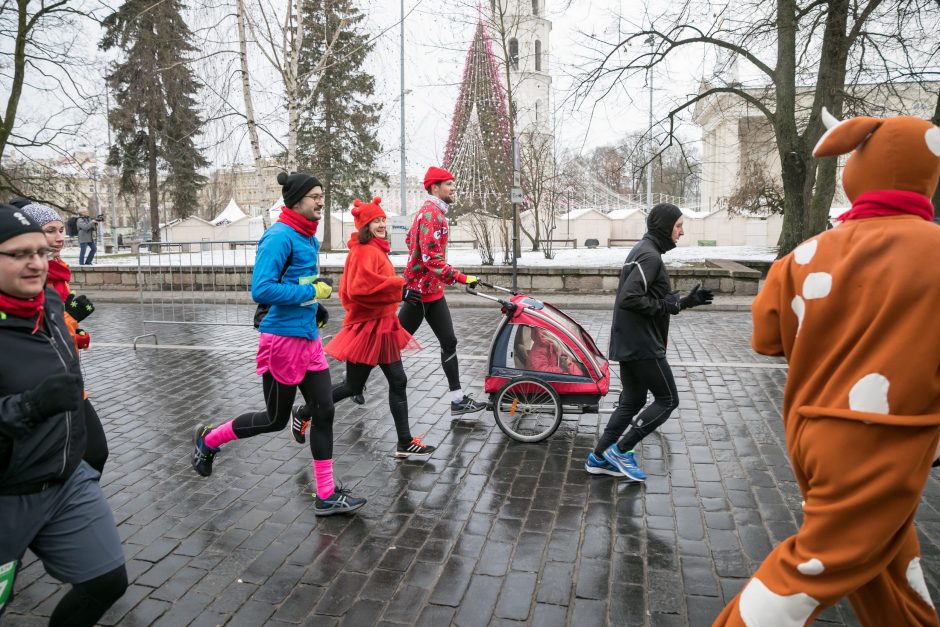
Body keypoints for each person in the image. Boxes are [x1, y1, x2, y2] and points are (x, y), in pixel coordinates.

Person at [714, 112, 940, 625]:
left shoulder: (804, 256)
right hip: (888, 437)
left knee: (887, 558)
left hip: (811, 430)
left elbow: (766, 339)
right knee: (813, 568)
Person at [191, 172, 366, 516]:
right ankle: (208, 439)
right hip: (281, 343)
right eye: (315, 196)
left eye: (321, 195)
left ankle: (326, 494)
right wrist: (310, 292)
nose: (320, 201)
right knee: (275, 419)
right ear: (297, 200)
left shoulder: (307, 238)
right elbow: (262, 289)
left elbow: (300, 281)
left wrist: (314, 308)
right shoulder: (278, 238)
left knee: (324, 411)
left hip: (307, 340)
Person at [0, 205, 127, 625]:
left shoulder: (48, 301)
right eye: (18, 254)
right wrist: (30, 406)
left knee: (106, 582)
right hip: (7, 494)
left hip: (65, 477)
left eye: (40, 249)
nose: (36, 261)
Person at [294, 197, 436, 459]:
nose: (382, 224)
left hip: (383, 325)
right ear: (365, 225)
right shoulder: (364, 250)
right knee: (353, 387)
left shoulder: (374, 248)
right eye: (376, 221)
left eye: (383, 219)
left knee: (398, 380)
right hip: (369, 328)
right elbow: (359, 289)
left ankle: (404, 441)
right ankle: (303, 413)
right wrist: (399, 289)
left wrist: (397, 290)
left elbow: (370, 284)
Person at [585, 203, 713, 480]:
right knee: (667, 400)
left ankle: (598, 458)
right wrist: (669, 305)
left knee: (632, 401)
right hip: (643, 343)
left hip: (630, 340)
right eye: (678, 226)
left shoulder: (643, 250)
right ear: (664, 227)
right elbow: (630, 298)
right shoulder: (650, 256)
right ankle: (621, 451)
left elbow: (650, 298)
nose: (681, 232)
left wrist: (684, 302)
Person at [21, 202, 108, 474]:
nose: (60, 237)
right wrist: (71, 318)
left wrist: (77, 332)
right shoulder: (28, 275)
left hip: (66, 376)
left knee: (90, 454)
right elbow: (36, 334)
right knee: (91, 453)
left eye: (60, 230)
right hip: (42, 383)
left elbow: (61, 327)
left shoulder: (58, 271)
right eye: (50, 231)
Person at [398, 166, 485, 416]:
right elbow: (431, 259)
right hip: (419, 294)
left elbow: (410, 241)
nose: (453, 188)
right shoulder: (431, 215)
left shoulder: (430, 213)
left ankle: (457, 399)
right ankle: (356, 378)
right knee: (393, 343)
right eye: (448, 184)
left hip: (431, 292)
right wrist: (460, 277)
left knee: (449, 341)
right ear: (435, 188)